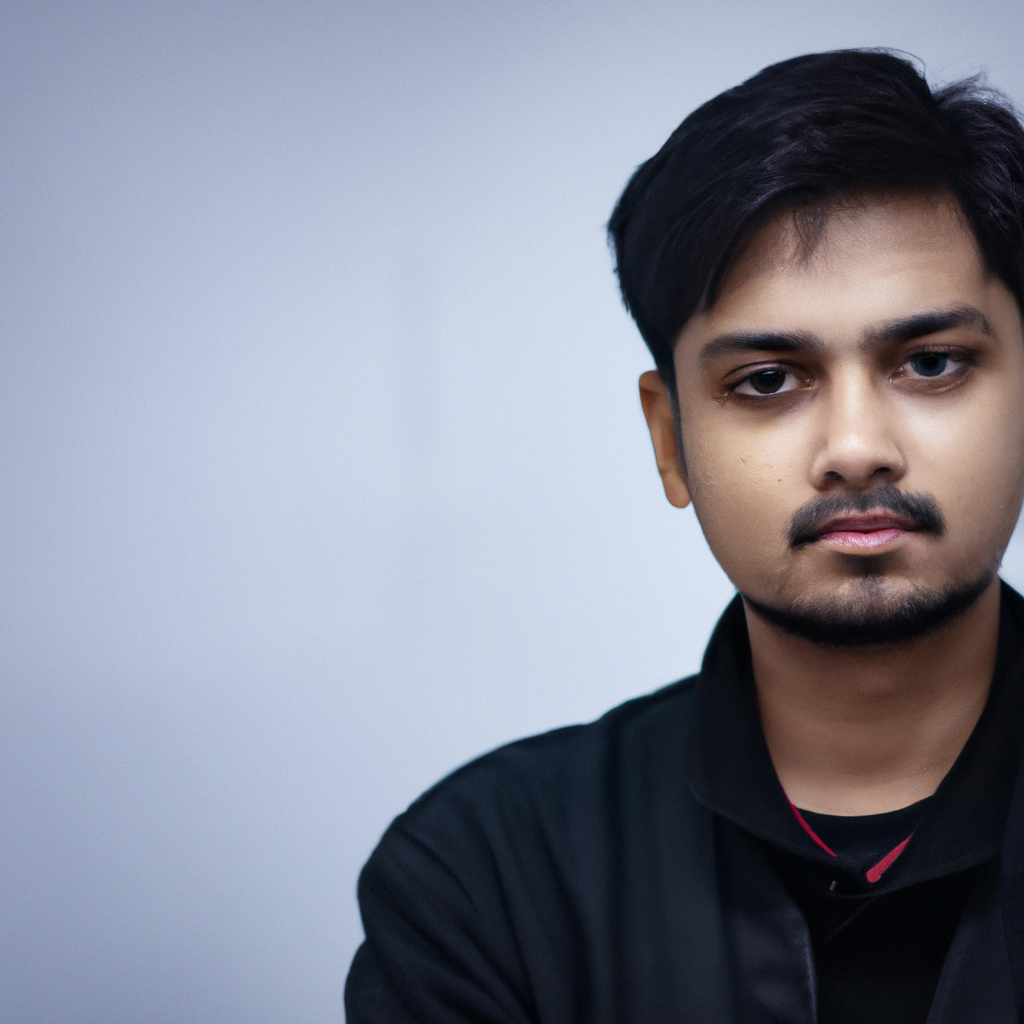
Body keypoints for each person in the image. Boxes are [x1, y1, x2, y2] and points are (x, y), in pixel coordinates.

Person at [344, 50, 1024, 1023]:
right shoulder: (488, 875)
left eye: (928, 362)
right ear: (669, 440)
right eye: (767, 380)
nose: (857, 449)